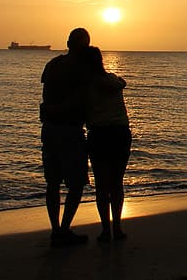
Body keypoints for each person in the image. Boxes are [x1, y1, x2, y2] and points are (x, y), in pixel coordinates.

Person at [40, 27, 93, 247]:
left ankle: (56, 230)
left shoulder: (52, 64)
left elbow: (46, 93)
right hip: (69, 130)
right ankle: (63, 229)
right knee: (77, 183)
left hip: (50, 128)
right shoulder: (82, 68)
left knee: (52, 183)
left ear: (68, 43)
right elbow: (83, 98)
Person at [84, 46, 132, 242]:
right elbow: (122, 82)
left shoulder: (86, 85)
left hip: (100, 134)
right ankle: (117, 228)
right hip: (120, 132)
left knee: (102, 184)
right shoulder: (114, 79)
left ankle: (106, 230)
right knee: (116, 182)